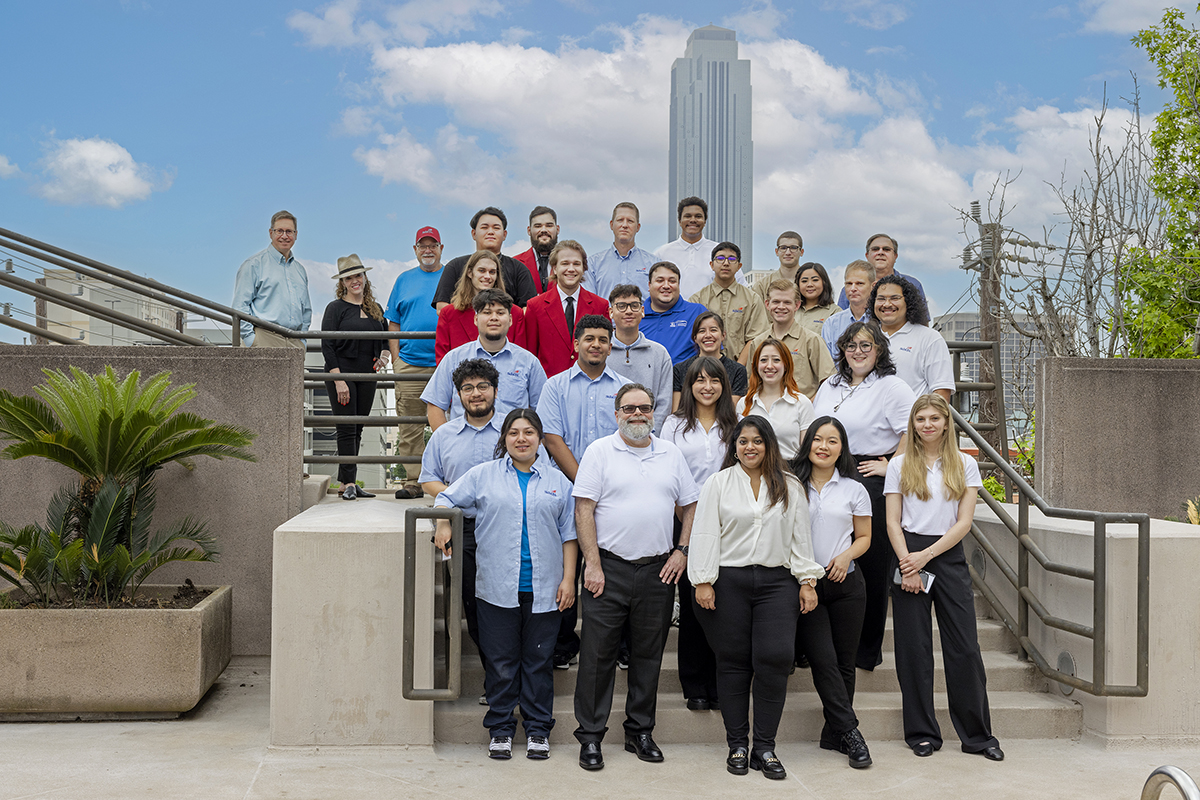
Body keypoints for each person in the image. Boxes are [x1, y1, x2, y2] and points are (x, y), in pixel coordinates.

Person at [433, 408, 578, 761]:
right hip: (497, 587)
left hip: (544, 588)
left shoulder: (559, 482)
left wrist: (569, 579)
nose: (522, 438)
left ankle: (538, 729)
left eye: (529, 432)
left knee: (538, 662)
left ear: (540, 440)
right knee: (501, 662)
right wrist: (444, 524)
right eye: (514, 432)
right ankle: (500, 728)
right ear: (504, 439)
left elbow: (570, 535)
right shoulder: (483, 476)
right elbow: (446, 498)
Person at [572, 384, 700, 771]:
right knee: (597, 656)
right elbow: (583, 510)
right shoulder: (599, 452)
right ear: (617, 414)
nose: (637, 414)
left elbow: (691, 505)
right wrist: (591, 563)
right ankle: (591, 737)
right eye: (629, 408)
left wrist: (682, 551)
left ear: (654, 412)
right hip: (607, 569)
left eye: (644, 408)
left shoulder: (670, 454)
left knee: (648, 654)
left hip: (658, 571)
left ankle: (639, 732)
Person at [689, 416, 824, 780]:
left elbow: (800, 537)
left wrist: (807, 580)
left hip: (777, 583)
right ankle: (737, 744)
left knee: (775, 658)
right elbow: (704, 533)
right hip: (728, 580)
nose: (750, 447)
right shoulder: (718, 483)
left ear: (769, 445)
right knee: (732, 661)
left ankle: (764, 747)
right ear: (734, 446)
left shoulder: (789, 485)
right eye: (743, 441)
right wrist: (703, 580)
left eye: (757, 441)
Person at [885, 393, 1004, 762]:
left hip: (947, 554)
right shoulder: (899, 464)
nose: (927, 424)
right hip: (907, 552)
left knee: (965, 647)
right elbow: (892, 520)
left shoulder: (965, 465)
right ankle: (921, 733)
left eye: (934, 418)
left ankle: (978, 736)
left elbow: (964, 522)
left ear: (946, 423)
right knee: (914, 650)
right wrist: (909, 563)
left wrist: (927, 558)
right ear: (913, 424)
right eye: (921, 419)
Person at [811, 321, 916, 672]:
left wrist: (892, 467)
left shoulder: (892, 386)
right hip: (827, 470)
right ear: (842, 349)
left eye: (866, 346)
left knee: (870, 565)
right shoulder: (831, 384)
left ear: (880, 350)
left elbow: (912, 431)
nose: (858, 352)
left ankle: (865, 650)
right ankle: (818, 643)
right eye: (851, 345)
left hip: (869, 475)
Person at [536, 313, 630, 670]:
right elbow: (552, 438)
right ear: (575, 344)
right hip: (565, 489)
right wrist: (583, 484)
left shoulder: (623, 388)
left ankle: (618, 645)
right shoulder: (555, 386)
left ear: (611, 345)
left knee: (614, 568)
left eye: (602, 339)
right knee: (566, 567)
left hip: (613, 494)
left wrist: (599, 489)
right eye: (588, 338)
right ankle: (563, 644)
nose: (595, 344)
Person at [789, 417, 874, 768]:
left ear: (842, 449)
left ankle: (833, 733)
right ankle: (852, 733)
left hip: (847, 583)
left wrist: (845, 555)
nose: (824, 446)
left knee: (844, 662)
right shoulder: (791, 485)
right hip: (807, 585)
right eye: (818, 439)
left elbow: (865, 538)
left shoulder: (854, 488)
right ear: (807, 443)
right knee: (823, 660)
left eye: (832, 441)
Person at [660, 356, 739, 713]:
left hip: (731, 524)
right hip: (686, 521)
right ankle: (694, 684)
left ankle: (722, 683)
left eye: (715, 380)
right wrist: (689, 522)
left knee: (725, 605)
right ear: (689, 386)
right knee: (693, 605)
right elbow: (670, 478)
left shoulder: (734, 424)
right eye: (699, 380)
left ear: (724, 385)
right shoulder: (674, 426)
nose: (707, 387)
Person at [420, 359, 505, 678]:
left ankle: (513, 677)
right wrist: (455, 502)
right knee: (474, 605)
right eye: (467, 388)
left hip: (506, 527)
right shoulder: (444, 436)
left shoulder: (514, 431)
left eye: (483, 386)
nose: (476, 394)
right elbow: (428, 480)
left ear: (495, 390)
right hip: (464, 528)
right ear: (457, 395)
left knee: (511, 604)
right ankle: (496, 679)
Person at [421, 289, 547, 430]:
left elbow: (543, 410)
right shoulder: (454, 358)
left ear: (510, 320)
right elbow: (435, 405)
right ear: (476, 319)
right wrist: (446, 442)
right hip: (465, 445)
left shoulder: (529, 362)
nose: (494, 318)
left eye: (500, 313)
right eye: (487, 313)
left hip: (512, 447)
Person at [321, 255, 389, 500]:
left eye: (358, 275)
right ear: (343, 282)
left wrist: (383, 355)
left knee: (358, 428)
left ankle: (345, 482)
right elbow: (327, 345)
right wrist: (339, 379)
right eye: (349, 278)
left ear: (364, 277)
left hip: (367, 375)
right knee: (346, 428)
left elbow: (384, 338)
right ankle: (350, 482)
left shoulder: (375, 309)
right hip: (342, 373)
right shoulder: (335, 308)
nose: (354, 281)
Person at [384, 225, 444, 499]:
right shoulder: (403, 280)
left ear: (441, 249)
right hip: (409, 362)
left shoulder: (451, 277)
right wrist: (396, 359)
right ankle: (413, 482)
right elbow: (393, 321)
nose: (428, 250)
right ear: (415, 249)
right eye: (423, 245)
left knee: (447, 425)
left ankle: (446, 480)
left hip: (445, 363)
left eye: (433, 245)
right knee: (410, 426)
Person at [523, 241, 609, 377]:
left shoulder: (600, 306)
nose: (571, 269)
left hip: (589, 384)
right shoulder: (535, 306)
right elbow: (529, 354)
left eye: (576, 264)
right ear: (555, 268)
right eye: (565, 263)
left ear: (583, 268)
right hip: (549, 387)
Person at [232, 210, 311, 349]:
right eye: (279, 231)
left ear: (296, 235)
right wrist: (252, 340)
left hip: (294, 342)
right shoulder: (253, 265)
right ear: (271, 233)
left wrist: (302, 341)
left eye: (289, 231)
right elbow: (240, 306)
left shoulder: (300, 270)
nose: (284, 236)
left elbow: (306, 310)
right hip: (264, 339)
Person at [743, 280, 834, 399]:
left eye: (787, 302)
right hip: (765, 413)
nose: (781, 307)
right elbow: (752, 382)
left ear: (797, 305)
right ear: (767, 304)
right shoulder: (757, 343)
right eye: (776, 302)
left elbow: (829, 382)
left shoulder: (811, 340)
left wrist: (808, 406)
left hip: (800, 414)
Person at [432, 207, 538, 309]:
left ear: (504, 234)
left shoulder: (519, 269)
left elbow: (528, 309)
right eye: (484, 227)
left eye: (496, 228)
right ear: (474, 234)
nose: (490, 232)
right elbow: (441, 307)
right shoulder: (455, 266)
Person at [869, 275, 955, 401]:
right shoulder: (864, 337)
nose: (887, 304)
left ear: (908, 302)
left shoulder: (929, 338)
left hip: (911, 419)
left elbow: (941, 391)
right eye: (881, 299)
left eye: (895, 298)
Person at [435, 250, 526, 362]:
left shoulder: (515, 313)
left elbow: (521, 358)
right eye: (481, 271)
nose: (487, 276)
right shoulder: (449, 314)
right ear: (469, 272)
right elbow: (443, 361)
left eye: (492, 272)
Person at [606, 284, 673, 434]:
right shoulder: (602, 352)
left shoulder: (660, 354)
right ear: (611, 312)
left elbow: (664, 402)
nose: (628, 311)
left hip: (648, 437)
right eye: (621, 306)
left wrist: (651, 434)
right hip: (608, 439)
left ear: (642, 311)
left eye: (634, 306)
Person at [688, 242, 770, 363]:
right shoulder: (697, 299)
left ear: (739, 266)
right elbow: (693, 337)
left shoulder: (752, 299)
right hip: (705, 370)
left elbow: (756, 338)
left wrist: (737, 370)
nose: (726, 263)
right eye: (720, 258)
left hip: (742, 370)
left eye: (732, 259)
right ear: (711, 265)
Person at [740, 338, 816, 461]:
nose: (769, 366)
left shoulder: (802, 403)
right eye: (764, 360)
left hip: (790, 472)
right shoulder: (744, 404)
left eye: (776, 360)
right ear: (756, 365)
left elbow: (808, 452)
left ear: (786, 365)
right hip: (754, 474)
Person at [671, 311, 748, 411]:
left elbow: (732, 410)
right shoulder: (680, 369)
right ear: (695, 338)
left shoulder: (737, 370)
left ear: (723, 335)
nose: (708, 335)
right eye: (702, 331)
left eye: (713, 330)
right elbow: (677, 410)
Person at [585, 202, 658, 302]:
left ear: (638, 227)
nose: (624, 225)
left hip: (643, 318)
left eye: (630, 221)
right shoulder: (593, 264)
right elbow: (589, 302)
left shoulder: (653, 264)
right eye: (620, 220)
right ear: (611, 225)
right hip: (605, 318)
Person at [640, 262, 708, 365]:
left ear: (678, 285)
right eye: (660, 281)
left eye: (672, 281)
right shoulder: (636, 316)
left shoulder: (697, 312)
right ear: (649, 285)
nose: (666, 286)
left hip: (685, 379)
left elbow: (713, 350)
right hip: (644, 379)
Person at [837, 233, 926, 309]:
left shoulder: (913, 285)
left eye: (886, 249)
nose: (880, 252)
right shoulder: (850, 290)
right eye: (875, 249)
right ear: (867, 256)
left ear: (895, 256)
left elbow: (922, 323)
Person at [822, 260, 875, 359]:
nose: (853, 288)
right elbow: (827, 364)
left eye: (859, 283)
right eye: (849, 283)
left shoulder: (882, 322)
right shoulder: (831, 324)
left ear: (873, 286)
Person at [751, 231, 806, 307]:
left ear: (801, 252)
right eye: (783, 248)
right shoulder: (762, 286)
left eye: (793, 248)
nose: (788, 252)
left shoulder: (810, 284)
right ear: (777, 252)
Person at [514, 206, 560, 294]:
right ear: (529, 230)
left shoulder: (570, 264)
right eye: (538, 226)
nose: (543, 230)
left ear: (557, 229)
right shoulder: (515, 264)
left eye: (549, 225)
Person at [795, 262, 838, 335]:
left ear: (824, 282)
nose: (809, 284)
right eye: (804, 281)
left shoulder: (834, 312)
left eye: (815, 280)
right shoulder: (791, 309)